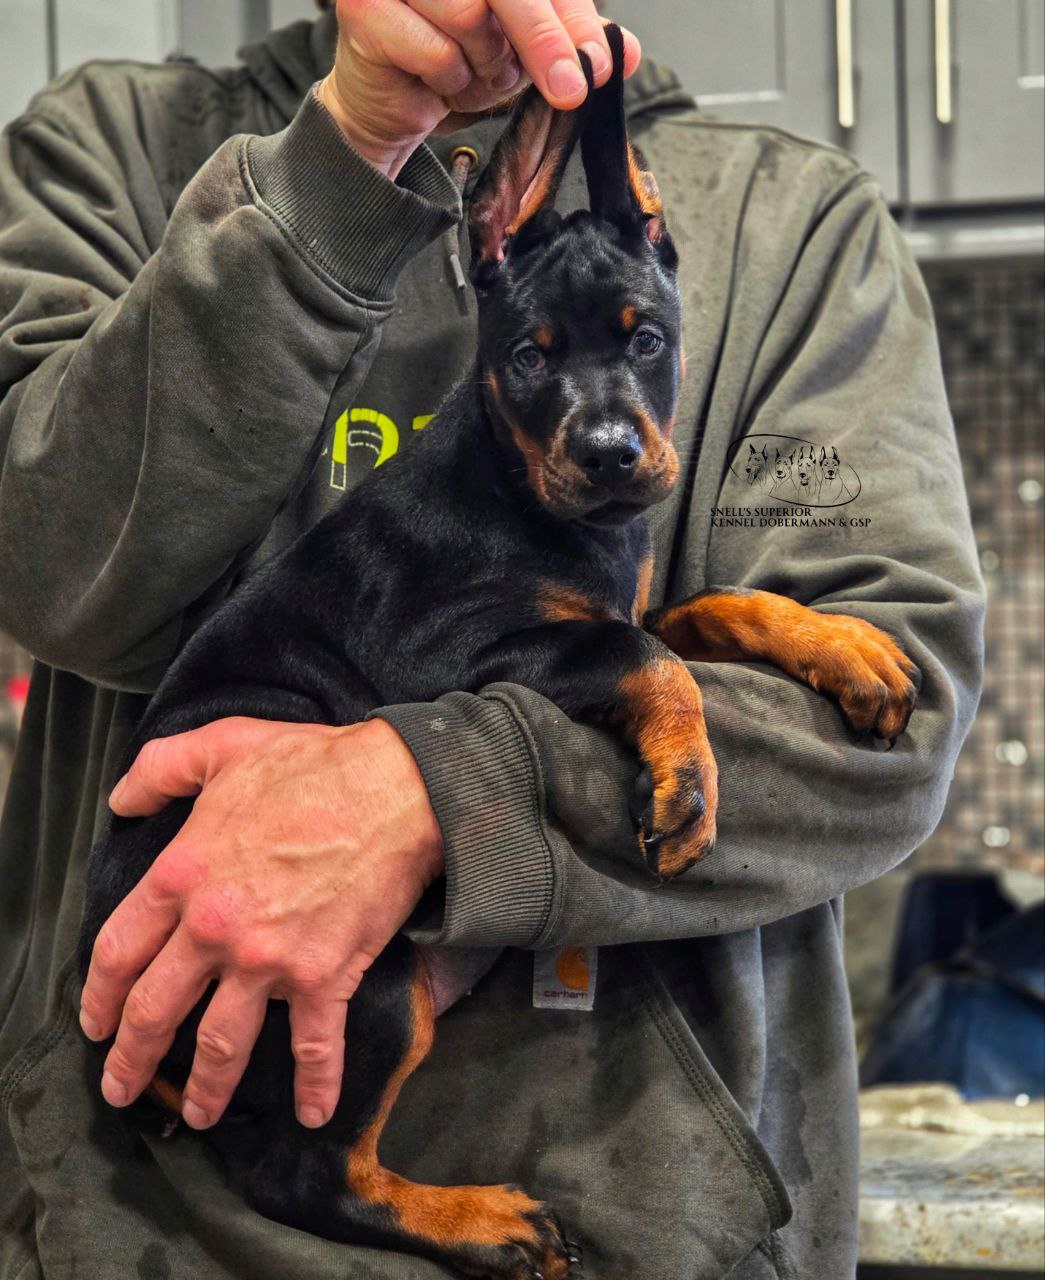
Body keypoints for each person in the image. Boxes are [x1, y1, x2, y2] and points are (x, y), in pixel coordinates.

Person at [0, 3, 984, 1277]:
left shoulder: (792, 222)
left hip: (658, 1225)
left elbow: (893, 727)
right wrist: (344, 156)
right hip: (145, 1222)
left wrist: (438, 791)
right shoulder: (108, 147)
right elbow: (48, 579)